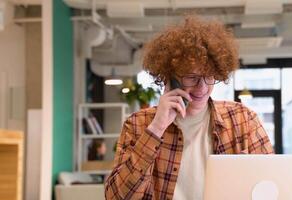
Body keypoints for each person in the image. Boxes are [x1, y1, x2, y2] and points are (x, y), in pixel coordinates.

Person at [105, 15, 274, 200]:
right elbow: (117, 197)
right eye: (191, 77)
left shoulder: (243, 119)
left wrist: (250, 176)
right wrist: (156, 129)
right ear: (170, 77)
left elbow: (273, 186)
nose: (202, 87)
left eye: (209, 76)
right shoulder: (138, 124)